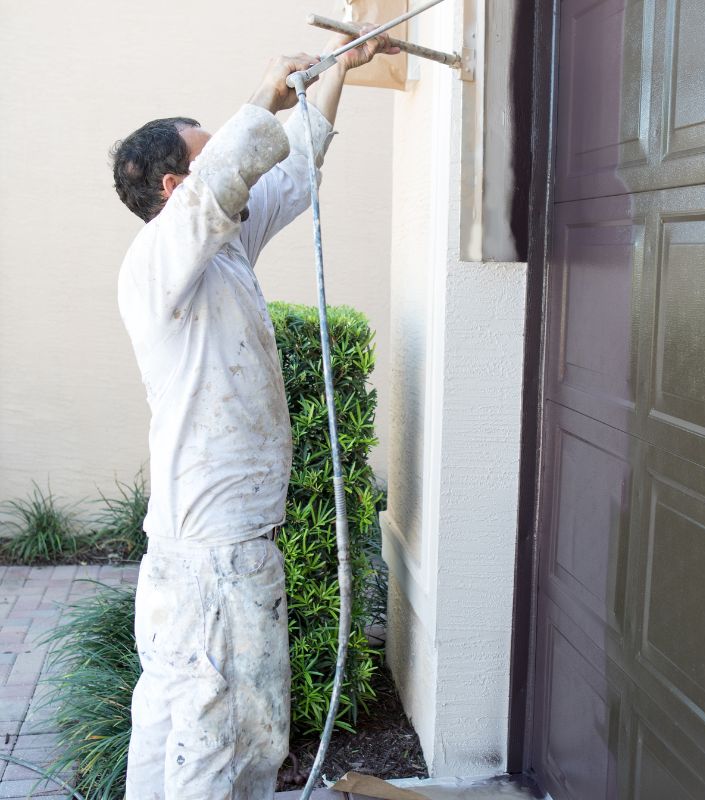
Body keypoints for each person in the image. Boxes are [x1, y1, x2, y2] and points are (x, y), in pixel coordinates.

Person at [111, 28, 398, 800]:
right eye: (208, 154)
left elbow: (294, 168)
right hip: (215, 552)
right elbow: (219, 186)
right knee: (228, 729)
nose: (233, 162)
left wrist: (339, 70)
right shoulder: (158, 259)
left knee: (175, 713)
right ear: (175, 187)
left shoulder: (223, 247)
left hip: (203, 545)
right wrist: (262, 92)